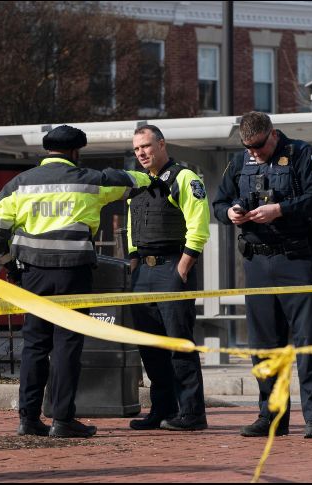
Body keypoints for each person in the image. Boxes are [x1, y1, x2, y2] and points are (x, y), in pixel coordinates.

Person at [0, 125, 156, 438]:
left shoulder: (20, 184)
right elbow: (134, 181)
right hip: (73, 274)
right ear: (76, 153)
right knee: (67, 345)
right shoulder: (91, 181)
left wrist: (11, 267)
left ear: (47, 152)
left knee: (35, 345)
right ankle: (62, 420)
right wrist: (152, 173)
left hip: (32, 273)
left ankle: (28, 418)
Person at [212, 111, 312, 439]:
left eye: (259, 147)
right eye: (248, 147)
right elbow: (218, 202)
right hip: (258, 262)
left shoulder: (303, 154)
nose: (254, 153)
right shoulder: (240, 162)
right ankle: (271, 416)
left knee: (307, 344)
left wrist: (280, 209)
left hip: (298, 260)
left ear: (273, 134)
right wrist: (231, 213)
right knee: (264, 346)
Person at [126, 125, 210, 432]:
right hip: (143, 273)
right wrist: (134, 262)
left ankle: (192, 413)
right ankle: (161, 410)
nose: (142, 153)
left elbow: (199, 225)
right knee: (150, 346)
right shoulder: (137, 183)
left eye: (146, 146)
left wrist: (184, 267)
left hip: (172, 267)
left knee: (178, 345)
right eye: (137, 149)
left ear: (162, 144)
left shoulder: (185, 178)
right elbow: (132, 228)